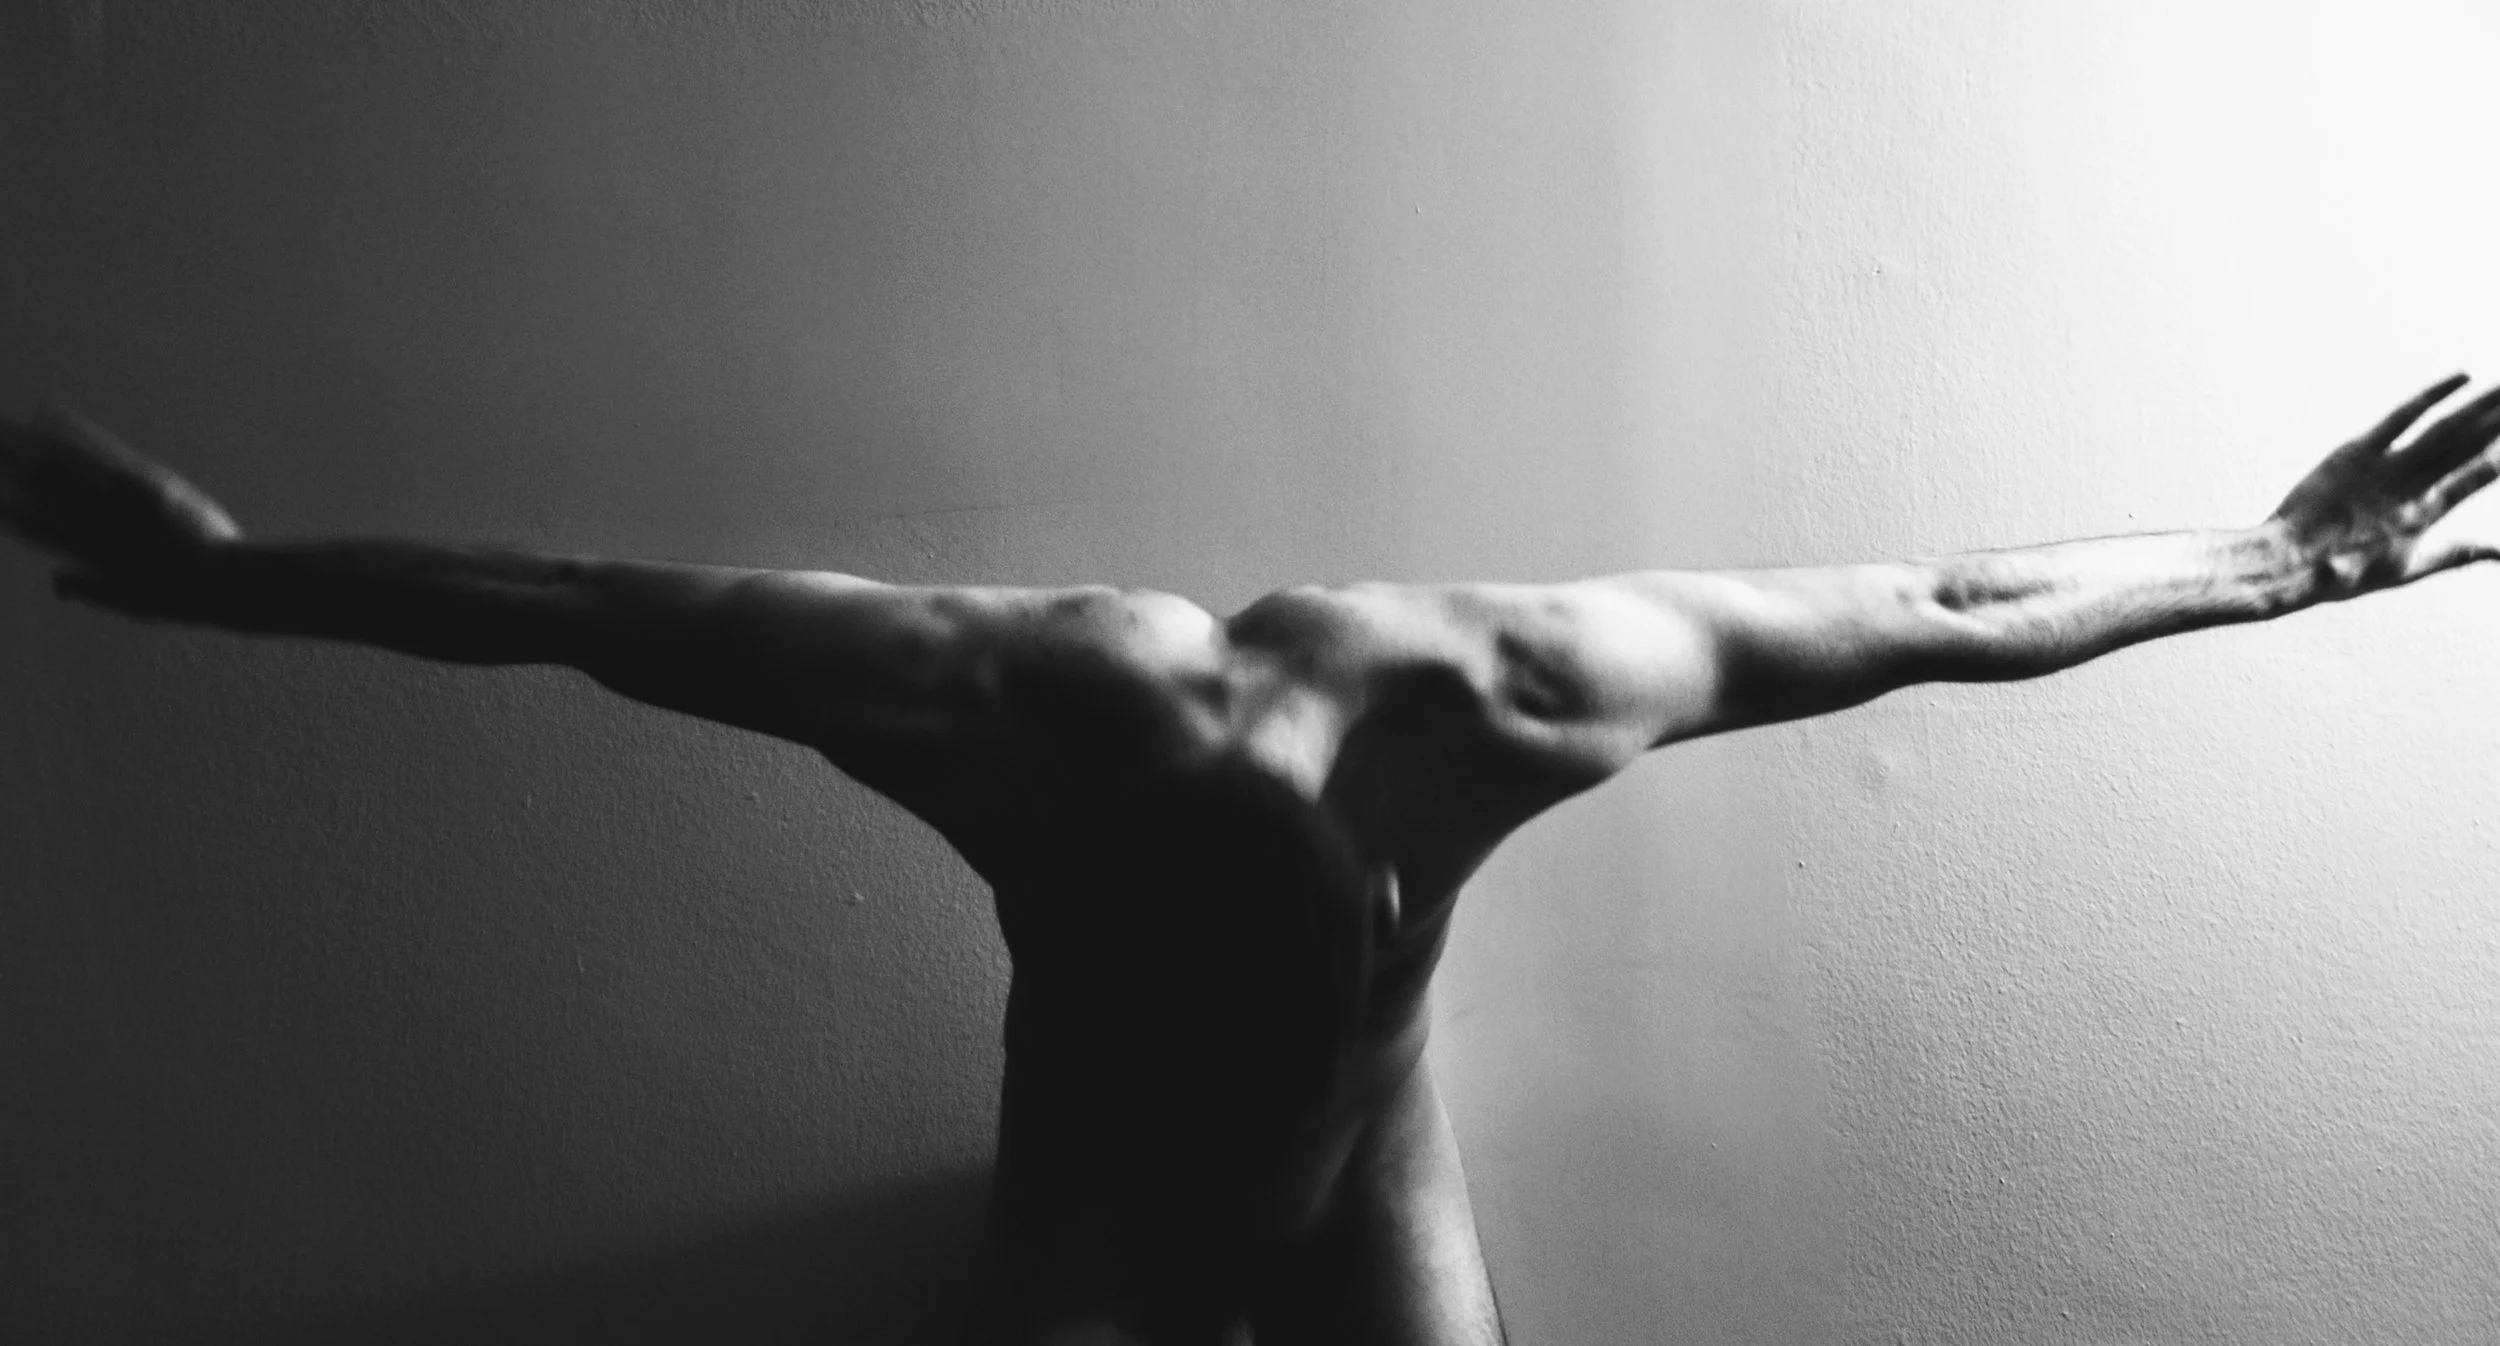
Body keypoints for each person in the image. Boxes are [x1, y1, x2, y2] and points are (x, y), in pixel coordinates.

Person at [5, 374, 2498, 1345]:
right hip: (1086, 1205)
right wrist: (237, 571)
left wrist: (2280, 562)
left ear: (1381, 901)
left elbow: (1934, 607)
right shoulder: (988, 709)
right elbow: (572, 615)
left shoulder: (1505, 695)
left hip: (1375, 1165)